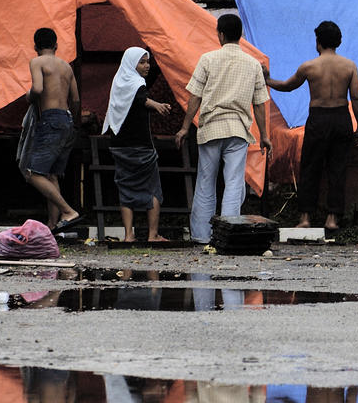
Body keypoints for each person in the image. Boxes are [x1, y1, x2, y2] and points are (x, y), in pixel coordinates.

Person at [175, 14, 272, 245]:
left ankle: (201, 235)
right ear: (240, 36)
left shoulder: (207, 59)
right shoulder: (253, 64)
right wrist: (265, 136)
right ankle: (228, 237)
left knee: (206, 182)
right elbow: (259, 104)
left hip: (210, 128)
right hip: (238, 130)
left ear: (220, 34)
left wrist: (184, 127)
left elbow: (195, 97)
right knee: (234, 182)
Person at [264, 20, 358, 230]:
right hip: (340, 118)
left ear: (318, 42)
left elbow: (286, 86)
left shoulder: (309, 66)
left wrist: (267, 80)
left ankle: (305, 218)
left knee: (310, 167)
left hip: (318, 119)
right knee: (337, 169)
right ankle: (332, 219)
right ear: (338, 42)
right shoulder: (349, 66)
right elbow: (356, 98)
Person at [102, 47, 172, 242]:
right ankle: (153, 234)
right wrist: (157, 105)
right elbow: (140, 98)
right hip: (141, 146)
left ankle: (128, 235)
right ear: (131, 63)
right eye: (142, 62)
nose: (146, 66)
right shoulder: (137, 83)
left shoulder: (118, 82)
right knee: (153, 189)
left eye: (147, 61)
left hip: (119, 145)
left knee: (125, 188)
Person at [24, 27, 84, 232]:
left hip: (50, 119)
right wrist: (73, 121)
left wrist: (29, 96)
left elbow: (39, 89)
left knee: (32, 173)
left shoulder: (37, 62)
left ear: (35, 47)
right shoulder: (67, 67)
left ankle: (68, 211)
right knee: (52, 175)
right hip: (67, 120)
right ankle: (53, 225)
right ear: (56, 45)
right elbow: (76, 100)